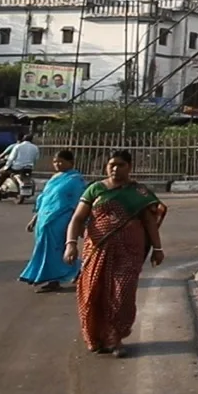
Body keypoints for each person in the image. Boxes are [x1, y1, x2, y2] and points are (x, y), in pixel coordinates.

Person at [63, 151, 166, 357]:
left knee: (122, 293)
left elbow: (149, 222)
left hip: (129, 251)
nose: (115, 169)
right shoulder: (96, 189)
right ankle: (97, 336)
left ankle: (116, 338)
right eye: (111, 165)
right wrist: (71, 244)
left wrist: (157, 248)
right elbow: (77, 218)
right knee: (94, 292)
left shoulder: (139, 193)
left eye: (120, 165)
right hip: (97, 249)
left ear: (129, 167)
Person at [20, 150, 85, 292]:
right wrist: (34, 219)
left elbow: (78, 202)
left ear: (71, 162)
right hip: (44, 219)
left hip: (61, 219)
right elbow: (44, 198)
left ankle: (55, 279)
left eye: (61, 161)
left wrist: (79, 224)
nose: (57, 164)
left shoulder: (75, 180)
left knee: (55, 249)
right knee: (44, 248)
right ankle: (76, 269)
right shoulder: (55, 178)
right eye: (55, 161)